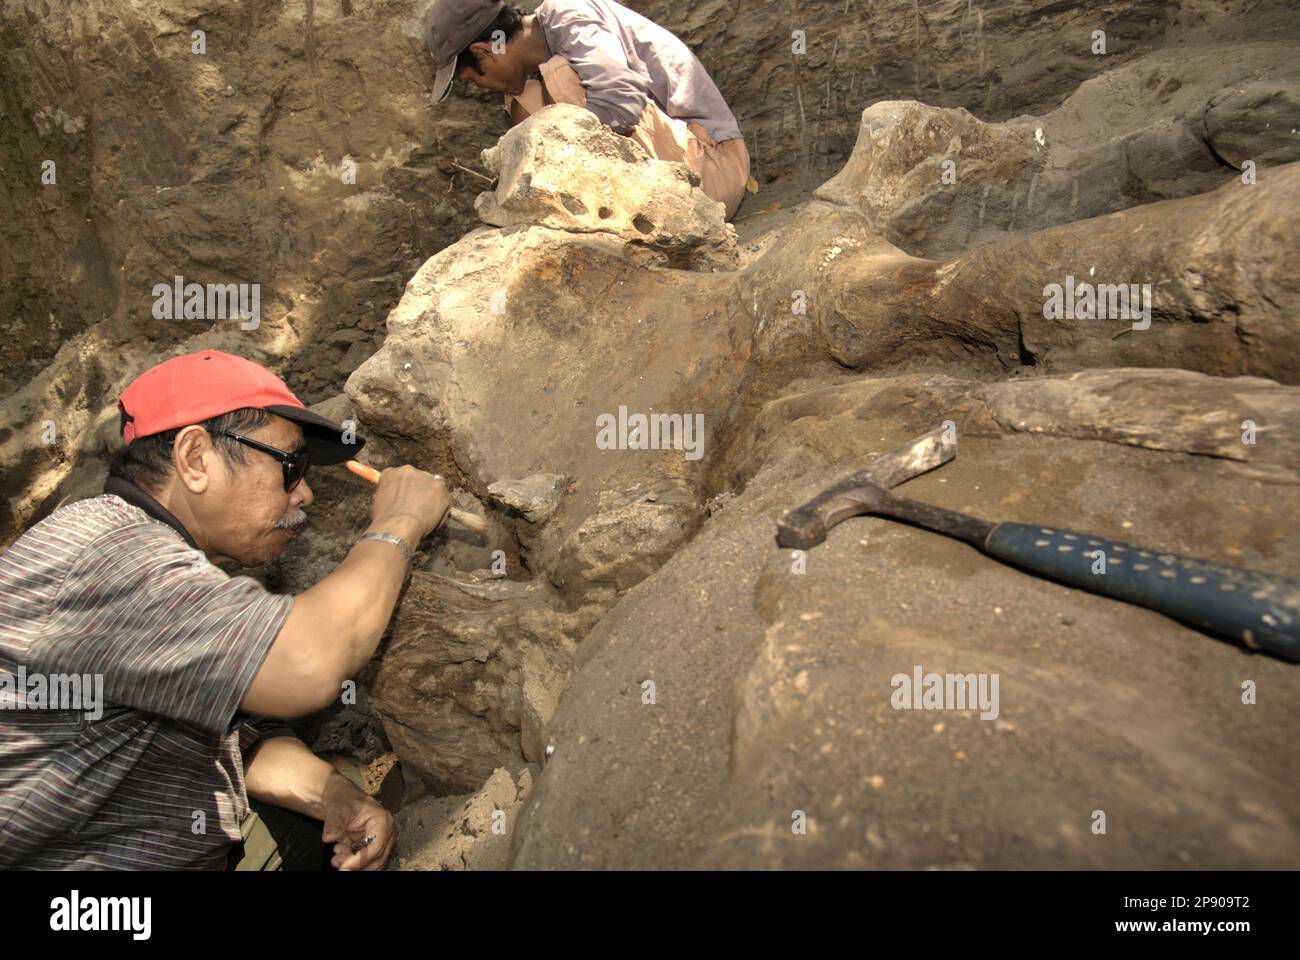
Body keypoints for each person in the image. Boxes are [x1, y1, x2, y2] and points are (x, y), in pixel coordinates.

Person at [0, 349, 450, 870]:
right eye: (290, 465)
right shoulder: (109, 556)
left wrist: (333, 798)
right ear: (195, 458)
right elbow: (307, 662)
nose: (303, 493)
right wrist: (398, 523)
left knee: (334, 790)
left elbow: (239, 739)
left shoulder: (154, 560)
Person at [425, 0, 752, 220]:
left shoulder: (568, 14)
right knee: (526, 101)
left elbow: (621, 101)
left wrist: (547, 153)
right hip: (662, 176)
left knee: (561, 86)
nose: (482, 88)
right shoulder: (534, 74)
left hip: (710, 173)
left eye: (472, 79)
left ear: (485, 51)